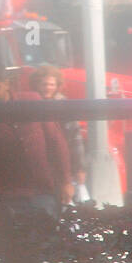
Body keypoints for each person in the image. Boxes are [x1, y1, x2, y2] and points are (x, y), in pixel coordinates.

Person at [0, 75, 72, 219]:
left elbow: (57, 142)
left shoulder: (32, 100)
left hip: (42, 190)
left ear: (7, 83)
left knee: (47, 236)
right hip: (7, 194)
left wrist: (66, 182)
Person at [30, 64, 89, 201]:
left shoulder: (65, 107)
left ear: (57, 86)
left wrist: (79, 168)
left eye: (51, 84)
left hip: (63, 162)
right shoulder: (29, 105)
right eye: (44, 84)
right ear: (36, 85)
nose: (48, 88)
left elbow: (76, 140)